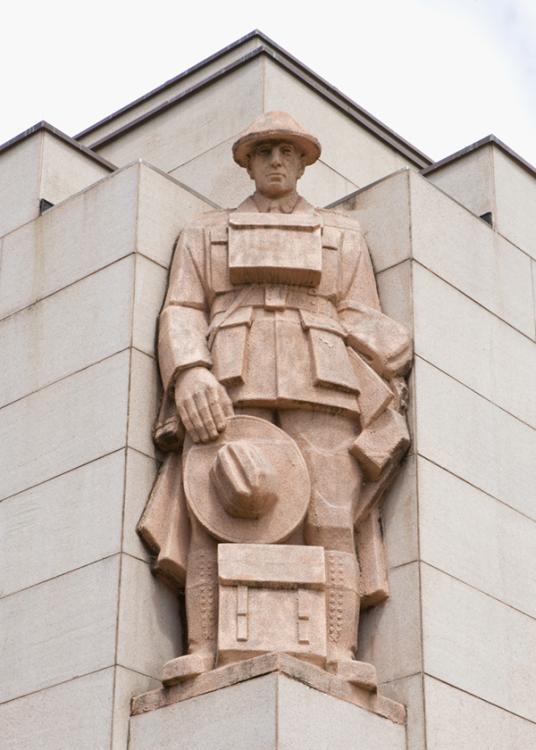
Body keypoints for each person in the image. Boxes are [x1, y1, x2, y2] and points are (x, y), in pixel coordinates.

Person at [139, 112, 412, 685]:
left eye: (288, 150)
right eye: (264, 150)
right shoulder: (204, 232)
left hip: (326, 380)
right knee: (213, 509)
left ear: (305, 160)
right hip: (232, 382)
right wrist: (190, 371)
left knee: (331, 515)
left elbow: (360, 310)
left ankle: (340, 653)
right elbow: (183, 309)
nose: (277, 161)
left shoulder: (343, 235)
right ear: (247, 160)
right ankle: (203, 647)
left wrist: (388, 348)